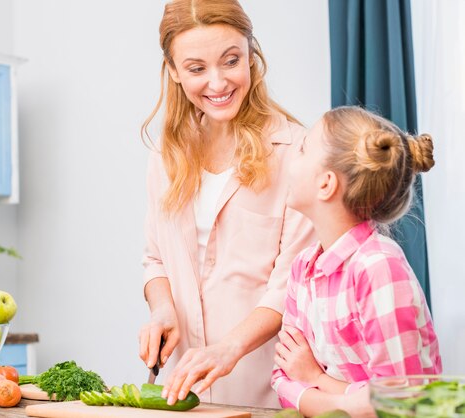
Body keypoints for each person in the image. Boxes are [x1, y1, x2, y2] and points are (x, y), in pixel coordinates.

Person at [139, 0, 315, 408]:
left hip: (270, 392)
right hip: (185, 392)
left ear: (252, 58)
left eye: (231, 60)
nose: (217, 83)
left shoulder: (296, 151)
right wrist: (163, 309)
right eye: (197, 68)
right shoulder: (166, 156)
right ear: (174, 72)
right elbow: (156, 260)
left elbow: (292, 284)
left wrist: (230, 348)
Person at [271, 106, 442, 416]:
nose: (292, 157)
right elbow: (282, 378)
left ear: (326, 183)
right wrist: (349, 400)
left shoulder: (379, 267)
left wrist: (316, 379)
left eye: (304, 148)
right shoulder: (303, 268)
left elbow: (401, 403)